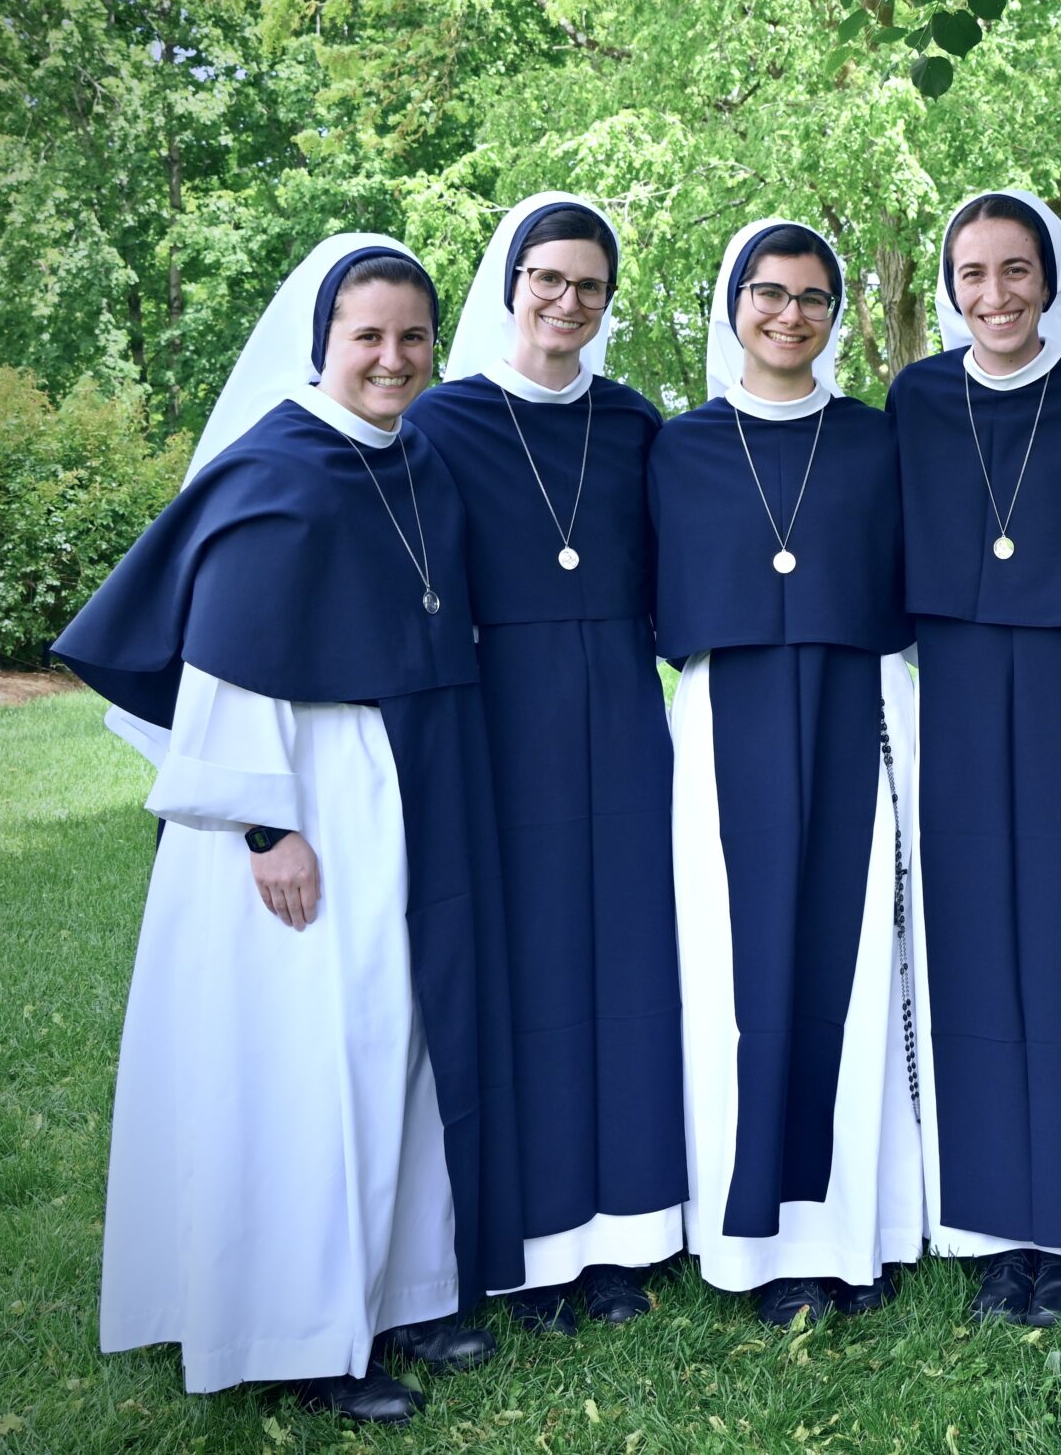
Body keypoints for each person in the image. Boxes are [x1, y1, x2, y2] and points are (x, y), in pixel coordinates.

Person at [53, 236, 524, 1426]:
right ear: (324, 343)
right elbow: (230, 665)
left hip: (395, 786)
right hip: (301, 802)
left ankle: (401, 1291)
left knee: (394, 1039)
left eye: (412, 336)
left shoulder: (412, 459)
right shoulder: (278, 469)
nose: (393, 358)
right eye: (368, 336)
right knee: (311, 1061)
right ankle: (300, 1337)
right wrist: (267, 828)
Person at [405, 194, 686, 1334]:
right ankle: (531, 1243)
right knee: (527, 972)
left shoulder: (634, 423)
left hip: (621, 711)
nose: (568, 301)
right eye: (549, 279)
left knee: (631, 965)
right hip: (504, 720)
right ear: (512, 283)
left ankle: (626, 1238)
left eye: (590, 285)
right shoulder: (442, 420)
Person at [647, 219, 923, 1327]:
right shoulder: (677, 447)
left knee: (856, 971)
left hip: (861, 714)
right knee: (733, 975)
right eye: (769, 293)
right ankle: (749, 1238)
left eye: (813, 297)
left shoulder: (874, 440)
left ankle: (852, 1231)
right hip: (725, 726)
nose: (789, 315)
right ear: (733, 305)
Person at [889, 190, 1061, 1325]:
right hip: (958, 684)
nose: (995, 295)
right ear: (950, 288)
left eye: (1016, 270)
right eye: (973, 274)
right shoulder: (918, 396)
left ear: (1050, 279)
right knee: (975, 944)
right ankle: (996, 1229)